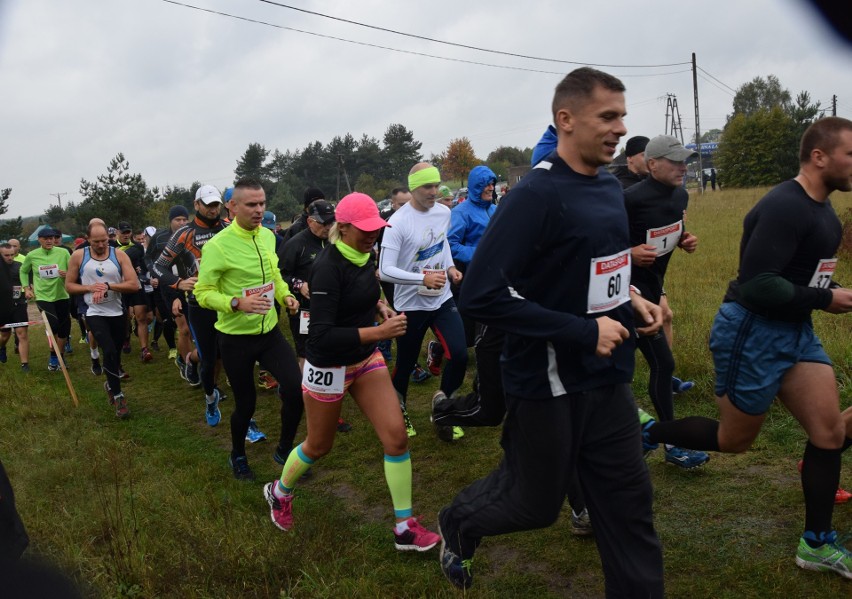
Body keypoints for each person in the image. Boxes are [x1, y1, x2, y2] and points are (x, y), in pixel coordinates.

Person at [437, 67, 665, 595]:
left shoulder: (608, 189)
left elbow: (596, 267)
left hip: (608, 379)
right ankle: (459, 523)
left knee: (631, 513)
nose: (619, 127)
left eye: (622, 116)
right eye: (607, 116)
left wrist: (633, 300)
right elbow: (481, 295)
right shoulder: (533, 196)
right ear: (565, 119)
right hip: (547, 381)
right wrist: (582, 334)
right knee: (533, 505)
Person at [642, 116, 852, 579]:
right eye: (850, 154)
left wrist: (834, 292)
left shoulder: (823, 211)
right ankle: (650, 433)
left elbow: (802, 278)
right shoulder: (785, 206)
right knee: (734, 441)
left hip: (796, 331)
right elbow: (758, 284)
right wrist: (825, 298)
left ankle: (816, 543)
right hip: (751, 331)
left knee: (829, 434)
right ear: (820, 156)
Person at [264, 192, 441, 552]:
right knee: (319, 445)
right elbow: (323, 335)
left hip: (364, 358)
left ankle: (404, 526)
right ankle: (279, 492)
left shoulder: (365, 253)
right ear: (341, 229)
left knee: (396, 438)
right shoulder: (326, 268)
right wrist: (380, 333)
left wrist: (380, 307)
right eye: (365, 230)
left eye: (376, 228)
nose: (372, 235)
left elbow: (368, 290)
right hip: (328, 364)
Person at [194, 177, 304, 481]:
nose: (258, 210)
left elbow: (276, 275)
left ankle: (284, 451)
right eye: (251, 205)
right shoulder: (218, 246)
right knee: (246, 404)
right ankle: (237, 454)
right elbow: (202, 293)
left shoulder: (268, 237)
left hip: (269, 334)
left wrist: (286, 296)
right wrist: (234, 303)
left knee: (296, 390)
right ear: (232, 206)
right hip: (235, 339)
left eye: (262, 204)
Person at [625, 135, 709, 470]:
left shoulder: (681, 195)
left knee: (650, 367)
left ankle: (651, 436)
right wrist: (629, 253)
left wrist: (685, 240)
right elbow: (599, 243)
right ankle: (662, 439)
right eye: (675, 161)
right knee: (656, 364)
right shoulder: (628, 199)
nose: (682, 167)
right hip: (622, 295)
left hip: (650, 289)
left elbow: (673, 231)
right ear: (652, 163)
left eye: (684, 161)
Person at [378, 163, 467, 440]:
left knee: (460, 354)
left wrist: (450, 267)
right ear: (414, 187)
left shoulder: (444, 212)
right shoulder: (398, 222)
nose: (434, 191)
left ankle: (444, 407)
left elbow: (443, 243)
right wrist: (421, 280)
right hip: (411, 303)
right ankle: (398, 407)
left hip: (441, 297)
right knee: (405, 362)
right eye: (427, 186)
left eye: (437, 185)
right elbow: (385, 269)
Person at [153, 185, 227, 425]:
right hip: (198, 303)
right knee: (209, 355)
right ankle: (209, 394)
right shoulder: (184, 233)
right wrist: (178, 283)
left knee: (223, 352)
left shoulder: (228, 228)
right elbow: (158, 266)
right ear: (197, 205)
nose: (213, 209)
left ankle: (210, 382)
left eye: (216, 205)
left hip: (226, 301)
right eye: (208, 205)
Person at [278, 199, 351, 435]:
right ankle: (311, 407)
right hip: (304, 310)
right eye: (324, 223)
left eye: (333, 222)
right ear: (310, 221)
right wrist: (299, 285)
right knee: (308, 357)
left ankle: (330, 408)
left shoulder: (335, 240)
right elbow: (280, 275)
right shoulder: (295, 244)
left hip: (333, 307)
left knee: (334, 354)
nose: (329, 227)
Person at [65, 222, 140, 418]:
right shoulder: (79, 256)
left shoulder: (119, 255)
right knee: (107, 350)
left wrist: (108, 286)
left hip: (116, 311)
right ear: (88, 239)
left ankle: (110, 382)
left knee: (115, 353)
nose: (101, 245)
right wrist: (90, 288)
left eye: (104, 240)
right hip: (94, 311)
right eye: (96, 241)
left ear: (109, 237)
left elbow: (134, 284)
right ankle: (119, 396)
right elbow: (70, 286)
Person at [20, 228, 71, 371]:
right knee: (53, 325)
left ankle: (59, 356)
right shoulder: (32, 255)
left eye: (52, 238)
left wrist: (66, 274)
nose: (49, 240)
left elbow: (73, 271)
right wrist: (27, 288)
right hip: (43, 296)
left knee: (64, 330)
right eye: (46, 238)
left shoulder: (63, 252)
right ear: (39, 239)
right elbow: (23, 271)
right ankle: (54, 356)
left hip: (62, 294)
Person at [146, 206, 188, 363]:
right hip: (169, 285)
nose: (182, 223)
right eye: (178, 220)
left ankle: (187, 359)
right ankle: (187, 363)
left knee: (192, 329)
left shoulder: (192, 235)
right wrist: (154, 271)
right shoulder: (159, 237)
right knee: (183, 329)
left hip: (192, 284)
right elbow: (148, 258)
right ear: (171, 221)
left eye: (185, 219)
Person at [0, 243, 29, 372]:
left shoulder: (20, 267)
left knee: (22, 333)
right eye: (6, 255)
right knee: (5, 335)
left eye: (12, 254)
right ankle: (2, 348)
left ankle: (25, 364)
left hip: (19, 304)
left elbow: (28, 281)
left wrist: (29, 288)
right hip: (3, 307)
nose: (10, 257)